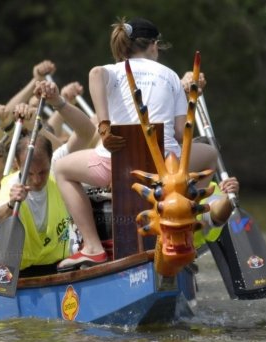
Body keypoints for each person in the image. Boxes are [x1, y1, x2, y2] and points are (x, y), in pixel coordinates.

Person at [54, 17, 198, 270]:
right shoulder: (172, 76)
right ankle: (183, 231)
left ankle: (93, 248)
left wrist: (105, 126)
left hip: (115, 164)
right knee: (206, 154)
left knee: (62, 169)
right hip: (166, 171)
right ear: (153, 45)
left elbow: (95, 72)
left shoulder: (115, 70)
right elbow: (178, 132)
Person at [0, 80, 96, 272]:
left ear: (51, 161)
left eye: (43, 172)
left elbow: (87, 132)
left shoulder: (57, 165)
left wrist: (58, 101)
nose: (37, 180)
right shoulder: (11, 184)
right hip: (20, 271)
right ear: (17, 165)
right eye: (30, 173)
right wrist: (12, 203)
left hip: (60, 265)